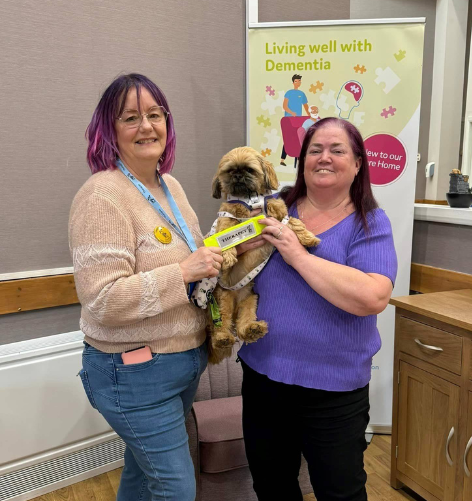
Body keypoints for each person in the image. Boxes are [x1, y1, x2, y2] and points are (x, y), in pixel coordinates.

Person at [69, 73, 223, 501]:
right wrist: (185, 274)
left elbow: (191, 254)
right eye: (131, 118)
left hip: (184, 361)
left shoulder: (169, 186)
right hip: (134, 372)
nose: (147, 126)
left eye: (155, 115)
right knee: (175, 487)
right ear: (109, 129)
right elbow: (102, 301)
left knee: (141, 475)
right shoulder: (102, 196)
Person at [238, 117, 398, 501]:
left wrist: (297, 255)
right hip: (263, 379)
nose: (324, 158)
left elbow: (373, 296)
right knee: (272, 486)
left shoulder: (369, 222)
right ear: (302, 160)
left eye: (337, 150)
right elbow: (230, 266)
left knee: (339, 492)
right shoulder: (273, 209)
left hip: (334, 393)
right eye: (315, 150)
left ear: (358, 163)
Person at [280, 74, 309, 166]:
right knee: (288, 139)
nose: (298, 83)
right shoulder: (289, 93)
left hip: (298, 120)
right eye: (296, 81)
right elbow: (284, 106)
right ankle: (282, 159)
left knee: (298, 140)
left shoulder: (302, 94)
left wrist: (311, 116)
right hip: (288, 120)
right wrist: (291, 113)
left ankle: (299, 162)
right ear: (293, 82)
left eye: (299, 81)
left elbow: (306, 106)